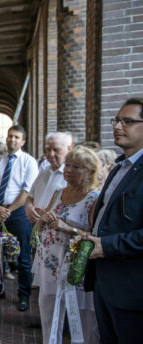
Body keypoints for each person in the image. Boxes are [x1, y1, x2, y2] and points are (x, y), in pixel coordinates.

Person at [86, 98, 143, 343]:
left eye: (128, 121)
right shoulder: (120, 167)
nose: (118, 126)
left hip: (131, 288)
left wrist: (105, 246)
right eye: (117, 120)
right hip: (104, 282)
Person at [33, 146, 100, 344]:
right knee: (48, 308)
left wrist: (68, 229)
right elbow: (40, 224)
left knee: (79, 315)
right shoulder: (58, 192)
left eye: (76, 166)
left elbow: (95, 237)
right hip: (49, 263)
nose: (69, 170)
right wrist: (43, 218)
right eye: (68, 165)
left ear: (90, 173)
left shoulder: (94, 199)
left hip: (75, 265)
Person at [0, 125, 39, 312]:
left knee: (23, 256)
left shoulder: (29, 162)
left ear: (23, 142)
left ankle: (23, 295)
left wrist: (10, 210)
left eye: (16, 137)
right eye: (9, 136)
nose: (12, 140)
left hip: (19, 213)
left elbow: (27, 190)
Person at [25, 132, 74, 224]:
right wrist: (29, 208)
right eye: (48, 149)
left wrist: (47, 214)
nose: (51, 154)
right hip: (36, 224)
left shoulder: (71, 175)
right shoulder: (44, 171)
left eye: (56, 150)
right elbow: (30, 197)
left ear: (69, 149)